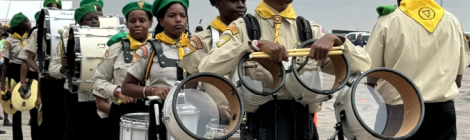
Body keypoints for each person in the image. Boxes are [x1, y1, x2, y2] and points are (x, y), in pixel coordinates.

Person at [198, 0, 371, 139]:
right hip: (258, 127)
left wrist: (338, 41)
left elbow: (363, 64)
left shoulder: (310, 30)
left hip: (304, 128)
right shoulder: (242, 28)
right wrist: (252, 46)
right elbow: (207, 66)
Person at [365, 0, 470, 139]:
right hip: (442, 113)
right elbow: (458, 78)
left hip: (398, 112)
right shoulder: (452, 21)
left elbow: (372, 76)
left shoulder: (389, 21)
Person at [121, 0, 189, 140]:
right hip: (161, 117)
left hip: (192, 116)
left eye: (182, 16)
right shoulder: (148, 50)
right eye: (172, 15)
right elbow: (126, 87)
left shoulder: (195, 48)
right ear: (161, 21)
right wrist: (152, 90)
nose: (178, 20)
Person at [179, 0, 246, 135]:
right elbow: (190, 91)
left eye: (243, 0)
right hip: (215, 124)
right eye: (234, 0)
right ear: (217, 3)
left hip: (252, 123)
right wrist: (215, 110)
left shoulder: (254, 37)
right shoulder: (202, 41)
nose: (241, 5)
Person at [92, 1, 153, 140]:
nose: (137, 24)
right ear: (126, 24)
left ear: (150, 23)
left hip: (153, 111)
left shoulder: (160, 49)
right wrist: (118, 91)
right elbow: (98, 81)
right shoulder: (115, 49)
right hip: (121, 112)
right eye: (132, 21)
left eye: (142, 20)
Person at [49, 4, 101, 140]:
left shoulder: (108, 40)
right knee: (77, 133)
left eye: (96, 18)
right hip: (75, 96)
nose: (95, 21)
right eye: (89, 19)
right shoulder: (67, 42)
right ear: (80, 23)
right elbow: (52, 69)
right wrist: (62, 68)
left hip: (99, 95)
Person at [0, 12, 40, 140]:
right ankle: (17, 137)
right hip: (14, 73)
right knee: (16, 108)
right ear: (23, 25)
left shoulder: (31, 37)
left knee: (33, 108)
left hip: (31, 73)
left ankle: (36, 136)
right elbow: (6, 64)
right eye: (28, 21)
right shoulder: (8, 41)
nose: (30, 23)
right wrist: (2, 83)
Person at [0, 23, 12, 128]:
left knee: (5, 94)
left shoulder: (5, 42)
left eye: (1, 29)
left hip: (3, 69)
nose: (1, 31)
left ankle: (6, 119)